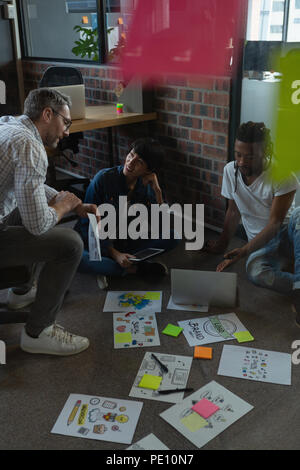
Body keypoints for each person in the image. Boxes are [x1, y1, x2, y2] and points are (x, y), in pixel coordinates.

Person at [0, 88, 99, 355]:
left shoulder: (9, 125)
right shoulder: (29, 145)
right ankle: (38, 331)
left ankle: (21, 293)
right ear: (47, 114)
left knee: (31, 207)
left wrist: (73, 203)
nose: (67, 132)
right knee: (70, 244)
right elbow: (38, 225)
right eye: (65, 122)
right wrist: (63, 206)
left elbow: (30, 188)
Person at [204, 121, 300, 324]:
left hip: (287, 235)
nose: (241, 161)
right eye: (238, 154)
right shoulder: (231, 171)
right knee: (255, 272)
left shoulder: (283, 176)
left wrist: (243, 251)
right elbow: (233, 211)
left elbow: (275, 223)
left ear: (265, 151)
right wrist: (221, 245)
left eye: (249, 156)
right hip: (262, 245)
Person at [75, 137, 180, 287]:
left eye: (139, 162)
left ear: (149, 170)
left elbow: (159, 226)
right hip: (94, 243)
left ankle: (120, 265)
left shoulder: (145, 186)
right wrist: (114, 253)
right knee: (79, 259)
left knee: (173, 237)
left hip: (126, 242)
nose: (130, 162)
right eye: (131, 155)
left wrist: (157, 192)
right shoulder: (103, 179)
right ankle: (136, 268)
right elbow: (89, 225)